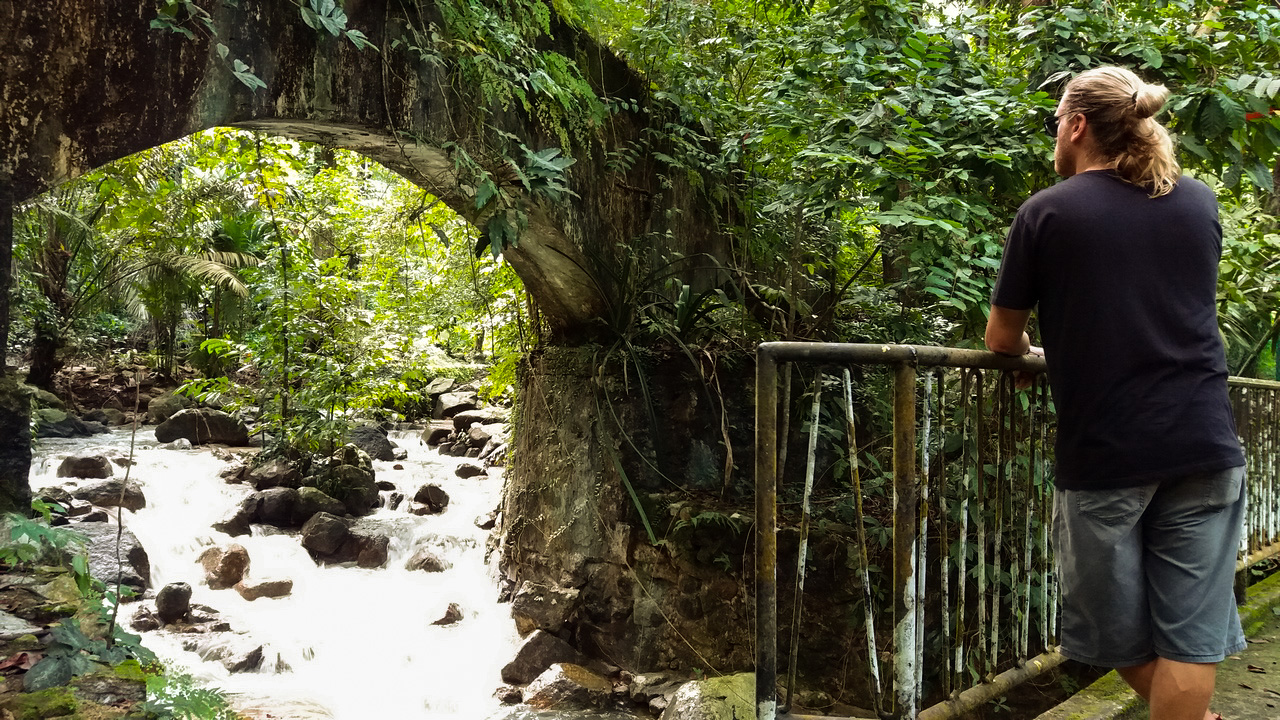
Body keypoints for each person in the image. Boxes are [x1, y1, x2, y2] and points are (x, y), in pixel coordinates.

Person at [984, 66, 1247, 720]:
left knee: (1112, 633)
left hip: (1107, 451)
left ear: (1076, 125)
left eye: (1056, 124)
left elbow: (1000, 338)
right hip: (1204, 441)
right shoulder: (1199, 202)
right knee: (1190, 640)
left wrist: (1036, 357)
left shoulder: (1048, 211)